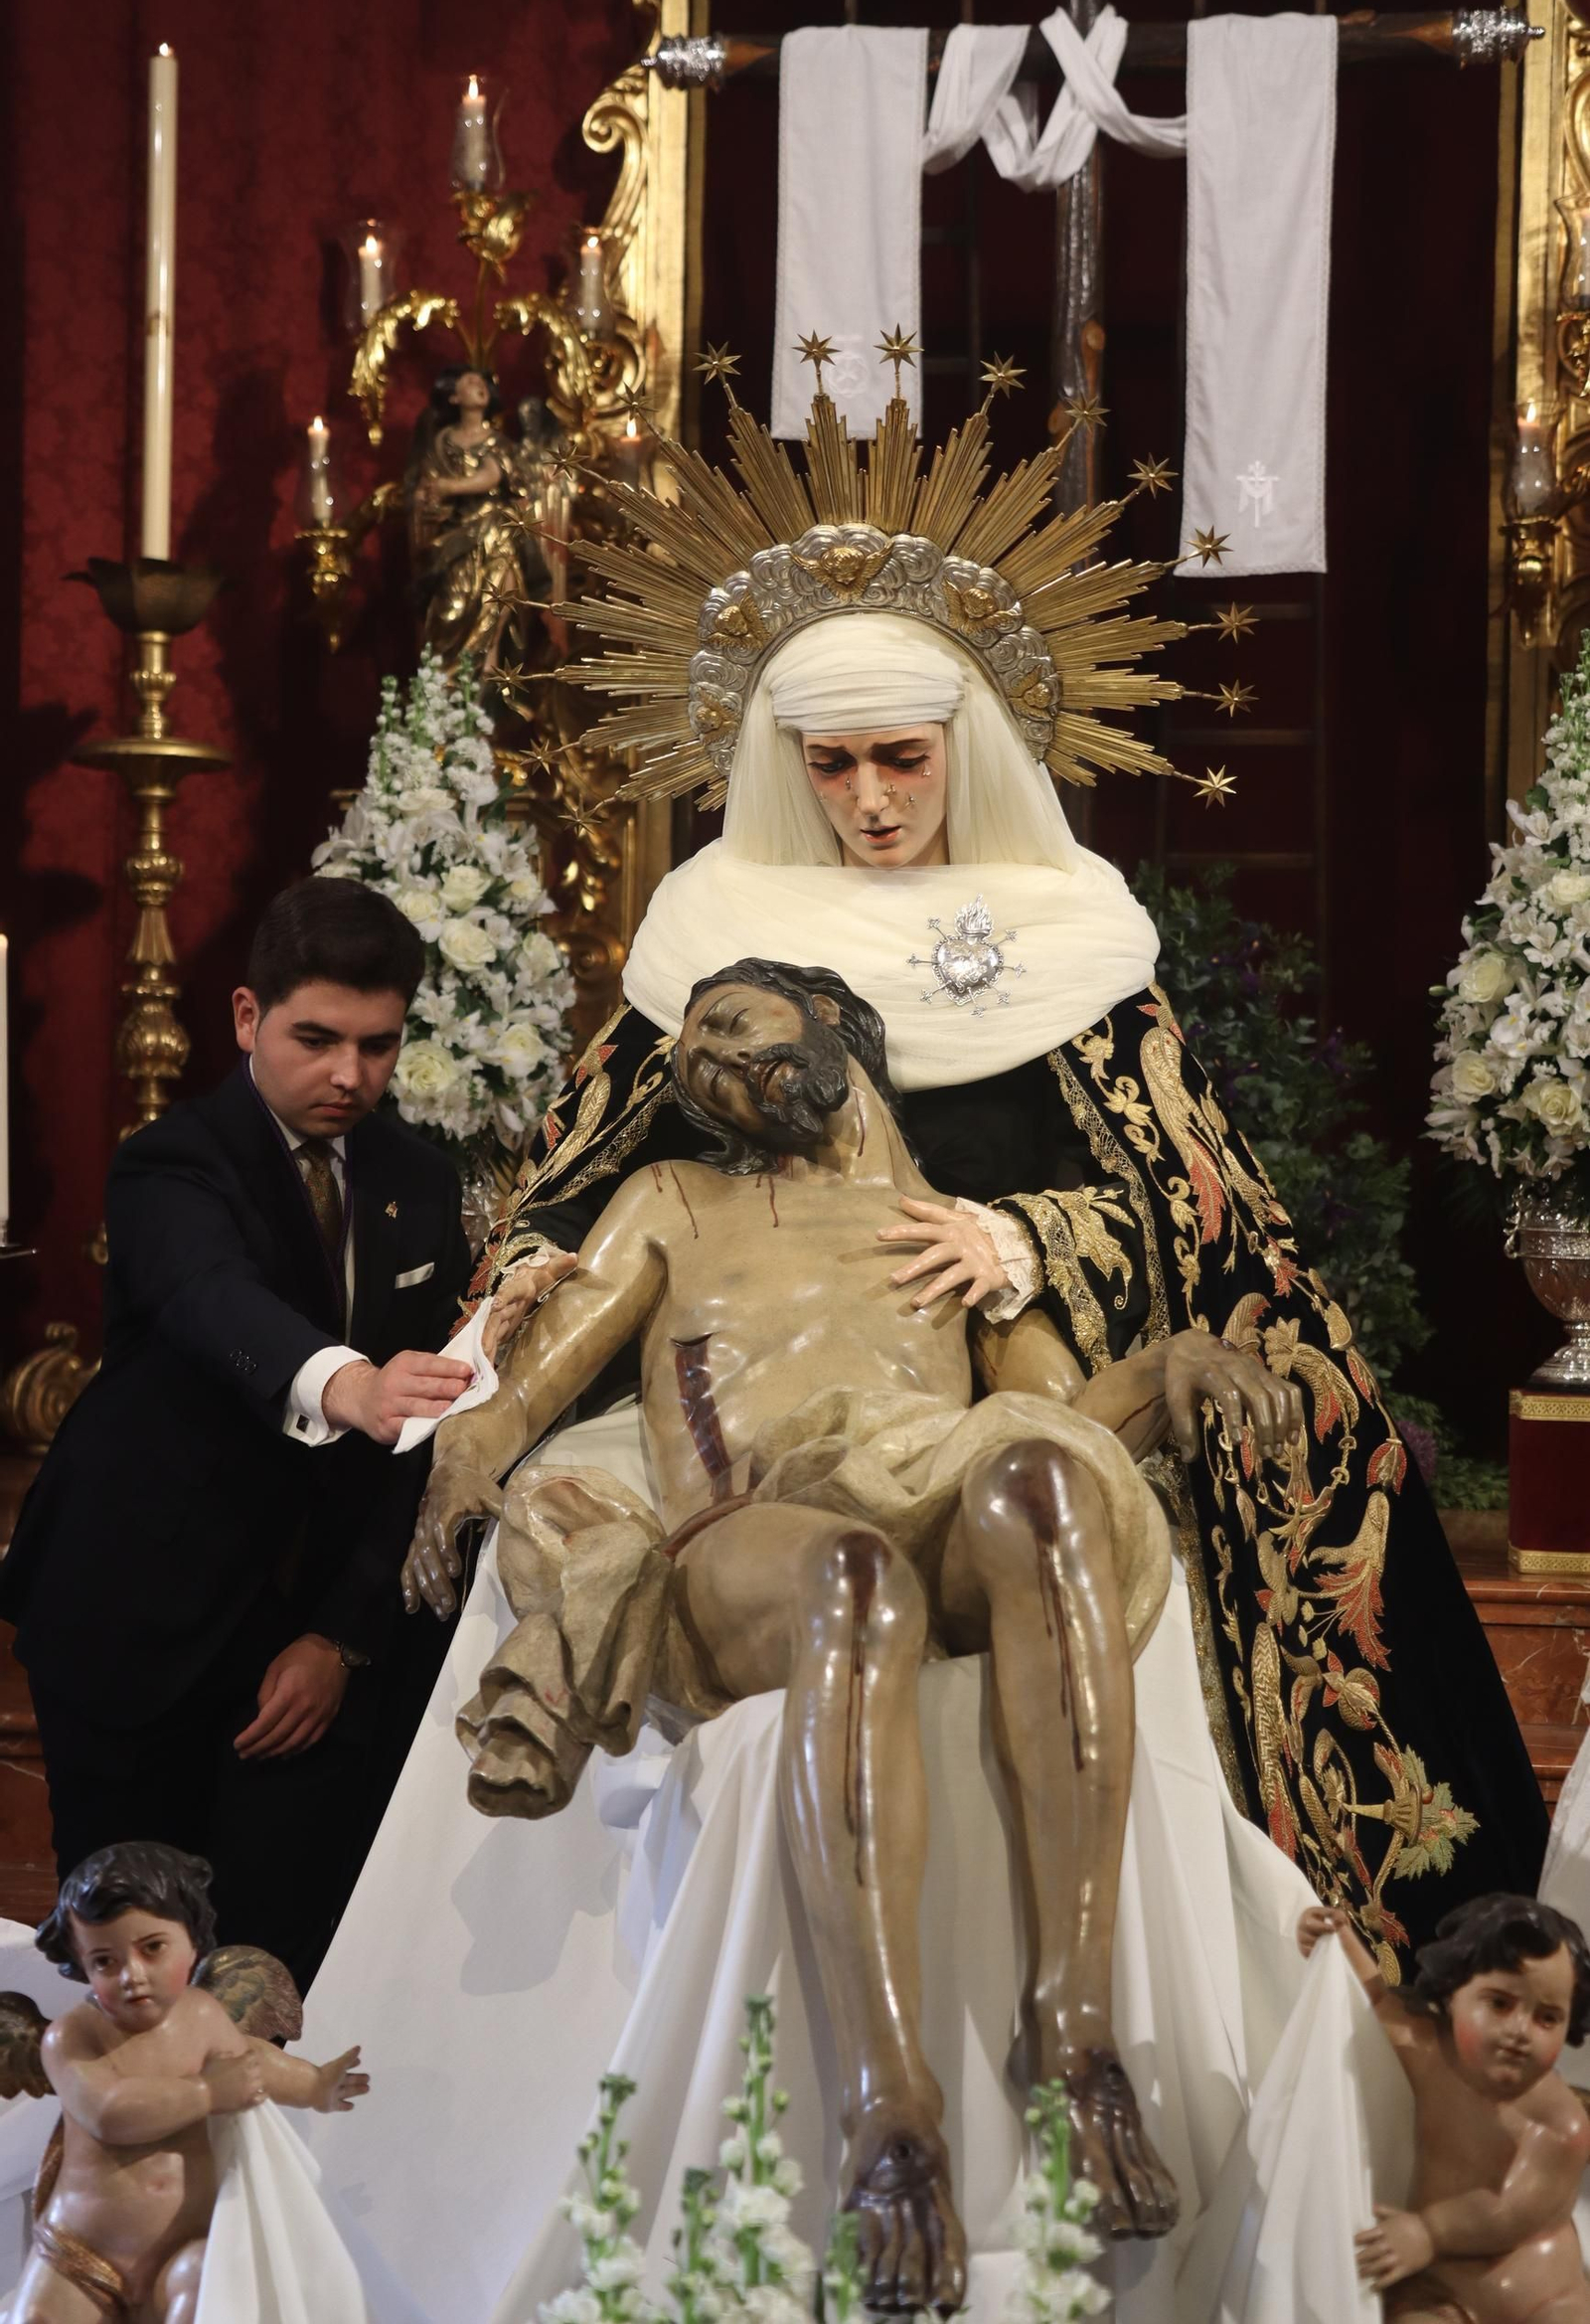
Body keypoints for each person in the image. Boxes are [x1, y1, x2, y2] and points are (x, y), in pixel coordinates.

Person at [471, 371, 1548, 1959]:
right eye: (831, 768)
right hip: (753, 1420)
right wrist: (528, 1278)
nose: (871, 801)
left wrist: (1023, 1239)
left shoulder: (1072, 944)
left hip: (1017, 1382)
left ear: (962, 745)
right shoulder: (716, 946)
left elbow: (1197, 1212)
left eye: (900, 759)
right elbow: (576, 1190)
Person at [405, 957, 1306, 2310]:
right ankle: (894, 2112)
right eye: (691, 1050)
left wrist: (1169, 1368)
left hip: (929, 1472)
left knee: (1043, 1483)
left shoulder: (952, 1234)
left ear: (832, 1027)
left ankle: (1077, 2025)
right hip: (756, 1532)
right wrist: (465, 1453)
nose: (706, 1061)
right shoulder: (673, 1201)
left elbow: (1061, 1413)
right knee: (858, 1585)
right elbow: (526, 1389)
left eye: (733, 1024)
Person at [0, 879, 474, 1989]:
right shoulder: (170, 1163)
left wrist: (340, 1641)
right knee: (122, 1968)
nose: (348, 1075)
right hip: (134, 1623)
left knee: (271, 1971)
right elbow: (211, 1297)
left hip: (305, 1637)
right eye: (315, 1039)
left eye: (377, 1045)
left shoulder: (419, 1181)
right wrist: (346, 1382)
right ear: (247, 1018)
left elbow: (430, 1440)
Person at [9, 1840, 367, 2324]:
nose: (132, 1975)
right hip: (82, 2250)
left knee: (210, 2295)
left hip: (182, 2249)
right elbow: (109, 2112)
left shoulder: (201, 2014)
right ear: (80, 1962)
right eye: (104, 1962)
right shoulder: (72, 2037)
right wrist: (207, 2092)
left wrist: (315, 2086)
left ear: (193, 1941)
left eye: (152, 1949)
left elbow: (252, 2061)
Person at [1298, 1892, 1590, 2321]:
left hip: (1542, 2297)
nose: (1519, 2031)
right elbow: (1374, 2003)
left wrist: (1429, 2232)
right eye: (1500, 2003)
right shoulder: (1429, 2052)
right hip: (1440, 2288)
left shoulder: (1562, 2124)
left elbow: (1511, 2211)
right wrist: (1334, 1941)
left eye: (1547, 2017)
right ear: (1453, 1994)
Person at [404, 362, 547, 674]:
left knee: (497, 591)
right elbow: (426, 485)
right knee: (450, 609)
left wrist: (448, 486)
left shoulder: (497, 441)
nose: (480, 385)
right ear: (454, 397)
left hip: (494, 525)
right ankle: (446, 679)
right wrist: (426, 499)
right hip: (455, 534)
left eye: (483, 382)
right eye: (469, 381)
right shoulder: (442, 442)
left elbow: (492, 475)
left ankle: (489, 659)